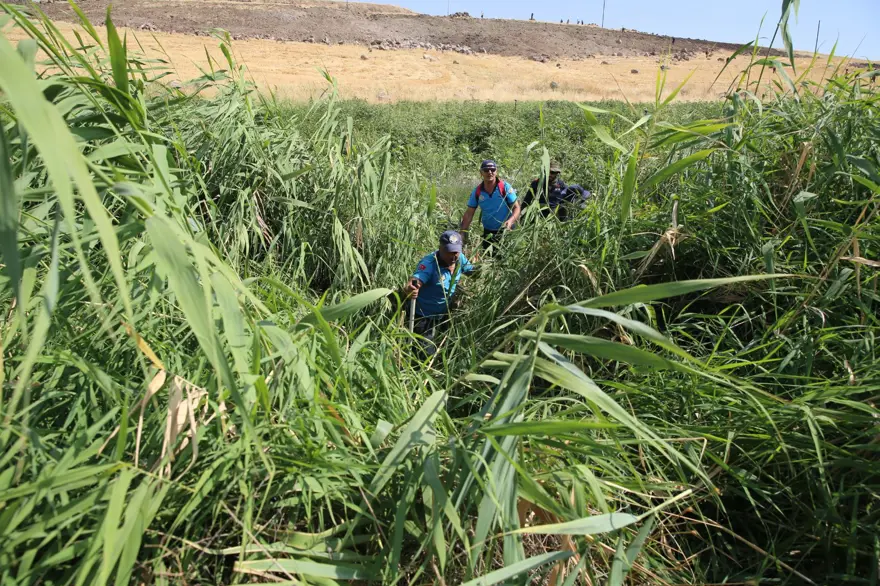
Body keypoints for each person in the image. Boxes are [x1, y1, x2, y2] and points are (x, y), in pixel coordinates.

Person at [404, 230, 476, 357]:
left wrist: (484, 268)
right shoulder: (429, 264)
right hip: (423, 315)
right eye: (449, 252)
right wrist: (411, 288)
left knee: (446, 345)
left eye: (456, 252)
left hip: (444, 313)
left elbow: (473, 273)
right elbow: (415, 281)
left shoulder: (460, 259)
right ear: (440, 248)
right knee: (426, 353)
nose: (453, 256)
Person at [460, 160, 521, 253]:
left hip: (506, 231)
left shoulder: (504, 187)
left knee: (506, 260)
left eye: (492, 170)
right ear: (481, 173)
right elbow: (469, 214)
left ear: (496, 172)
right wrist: (462, 232)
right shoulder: (477, 191)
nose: (490, 172)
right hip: (488, 232)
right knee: (489, 259)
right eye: (486, 170)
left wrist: (511, 221)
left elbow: (517, 207)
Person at [523, 160, 590, 221]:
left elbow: (567, 200)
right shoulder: (537, 183)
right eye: (547, 171)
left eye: (552, 172)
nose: (550, 174)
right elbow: (526, 201)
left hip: (555, 215)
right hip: (539, 214)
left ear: (557, 173)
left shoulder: (561, 185)